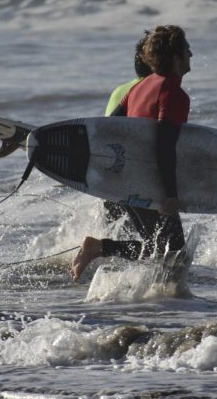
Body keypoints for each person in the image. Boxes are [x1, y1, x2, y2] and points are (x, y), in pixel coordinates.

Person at [71, 25, 192, 282]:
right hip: (147, 181)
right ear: (175, 57)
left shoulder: (138, 88)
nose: (191, 54)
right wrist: (170, 194)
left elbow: (108, 129)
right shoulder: (173, 92)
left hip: (124, 179)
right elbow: (164, 146)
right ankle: (98, 249)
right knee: (173, 251)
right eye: (186, 49)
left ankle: (102, 252)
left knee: (160, 249)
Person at [101, 31, 152, 225]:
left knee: (115, 236)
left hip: (107, 174)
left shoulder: (120, 89)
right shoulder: (149, 90)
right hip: (133, 179)